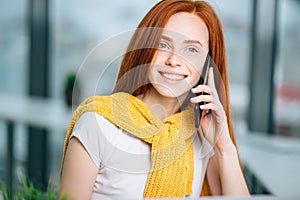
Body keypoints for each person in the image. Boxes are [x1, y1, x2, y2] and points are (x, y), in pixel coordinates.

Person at [59, 0, 250, 199]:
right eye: (163, 44)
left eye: (192, 50)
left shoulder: (203, 134)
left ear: (206, 63)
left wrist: (224, 146)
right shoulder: (98, 123)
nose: (174, 60)